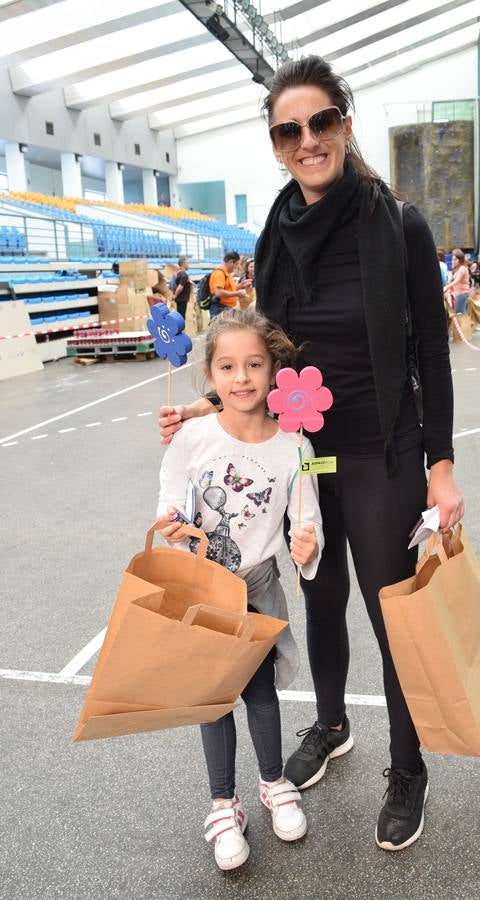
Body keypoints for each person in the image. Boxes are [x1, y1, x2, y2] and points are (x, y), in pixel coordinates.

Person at [158, 55, 463, 853]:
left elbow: (430, 352)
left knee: (391, 612)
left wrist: (441, 464)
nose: (306, 140)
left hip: (383, 449)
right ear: (275, 143)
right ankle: (331, 725)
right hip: (298, 457)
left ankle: (408, 766)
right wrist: (209, 402)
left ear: (344, 123)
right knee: (318, 602)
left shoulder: (397, 222)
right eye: (288, 130)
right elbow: (260, 346)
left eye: (319, 122)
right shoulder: (275, 230)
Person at [157, 308, 323, 871]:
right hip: (204, 589)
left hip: (256, 589)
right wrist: (170, 520)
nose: (242, 377)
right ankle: (223, 804)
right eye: (227, 366)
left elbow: (308, 517)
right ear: (210, 373)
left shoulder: (294, 449)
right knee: (213, 698)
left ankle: (274, 784)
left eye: (254, 363)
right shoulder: (191, 438)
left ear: (275, 367)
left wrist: (308, 546)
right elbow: (169, 499)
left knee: (259, 693)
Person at [208, 251, 250, 319]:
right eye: (236, 264)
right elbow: (219, 293)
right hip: (220, 309)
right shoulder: (219, 273)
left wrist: (240, 285)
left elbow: (228, 289)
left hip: (225, 308)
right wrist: (237, 293)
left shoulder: (227, 273)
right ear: (231, 262)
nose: (236, 267)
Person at [445, 249, 471, 315]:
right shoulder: (459, 268)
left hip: (461, 294)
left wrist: (446, 287)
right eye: (452, 259)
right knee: (460, 313)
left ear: (460, 260)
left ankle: (465, 325)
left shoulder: (462, 268)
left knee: (460, 314)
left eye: (455, 259)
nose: (453, 261)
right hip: (459, 293)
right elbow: (454, 280)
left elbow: (457, 281)